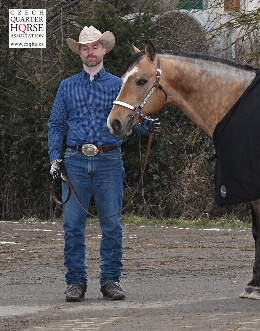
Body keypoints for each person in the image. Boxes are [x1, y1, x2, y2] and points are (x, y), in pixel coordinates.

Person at [47, 26, 160, 302]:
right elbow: (56, 124)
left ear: (103, 50)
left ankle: (110, 280)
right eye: (85, 48)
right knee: (73, 226)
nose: (90, 52)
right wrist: (55, 158)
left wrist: (148, 127)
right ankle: (75, 282)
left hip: (109, 160)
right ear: (80, 53)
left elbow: (131, 119)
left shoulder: (117, 85)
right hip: (74, 161)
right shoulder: (66, 87)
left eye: (94, 47)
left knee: (112, 226)